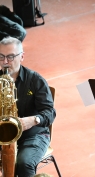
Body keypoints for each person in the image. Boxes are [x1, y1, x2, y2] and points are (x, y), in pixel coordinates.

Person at [0, 36, 56, 177]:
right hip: (3, 134)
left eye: (11, 57)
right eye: (1, 57)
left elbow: (50, 112)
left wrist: (33, 120)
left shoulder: (35, 80)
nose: (5, 62)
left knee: (24, 163)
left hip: (34, 135)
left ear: (22, 56)